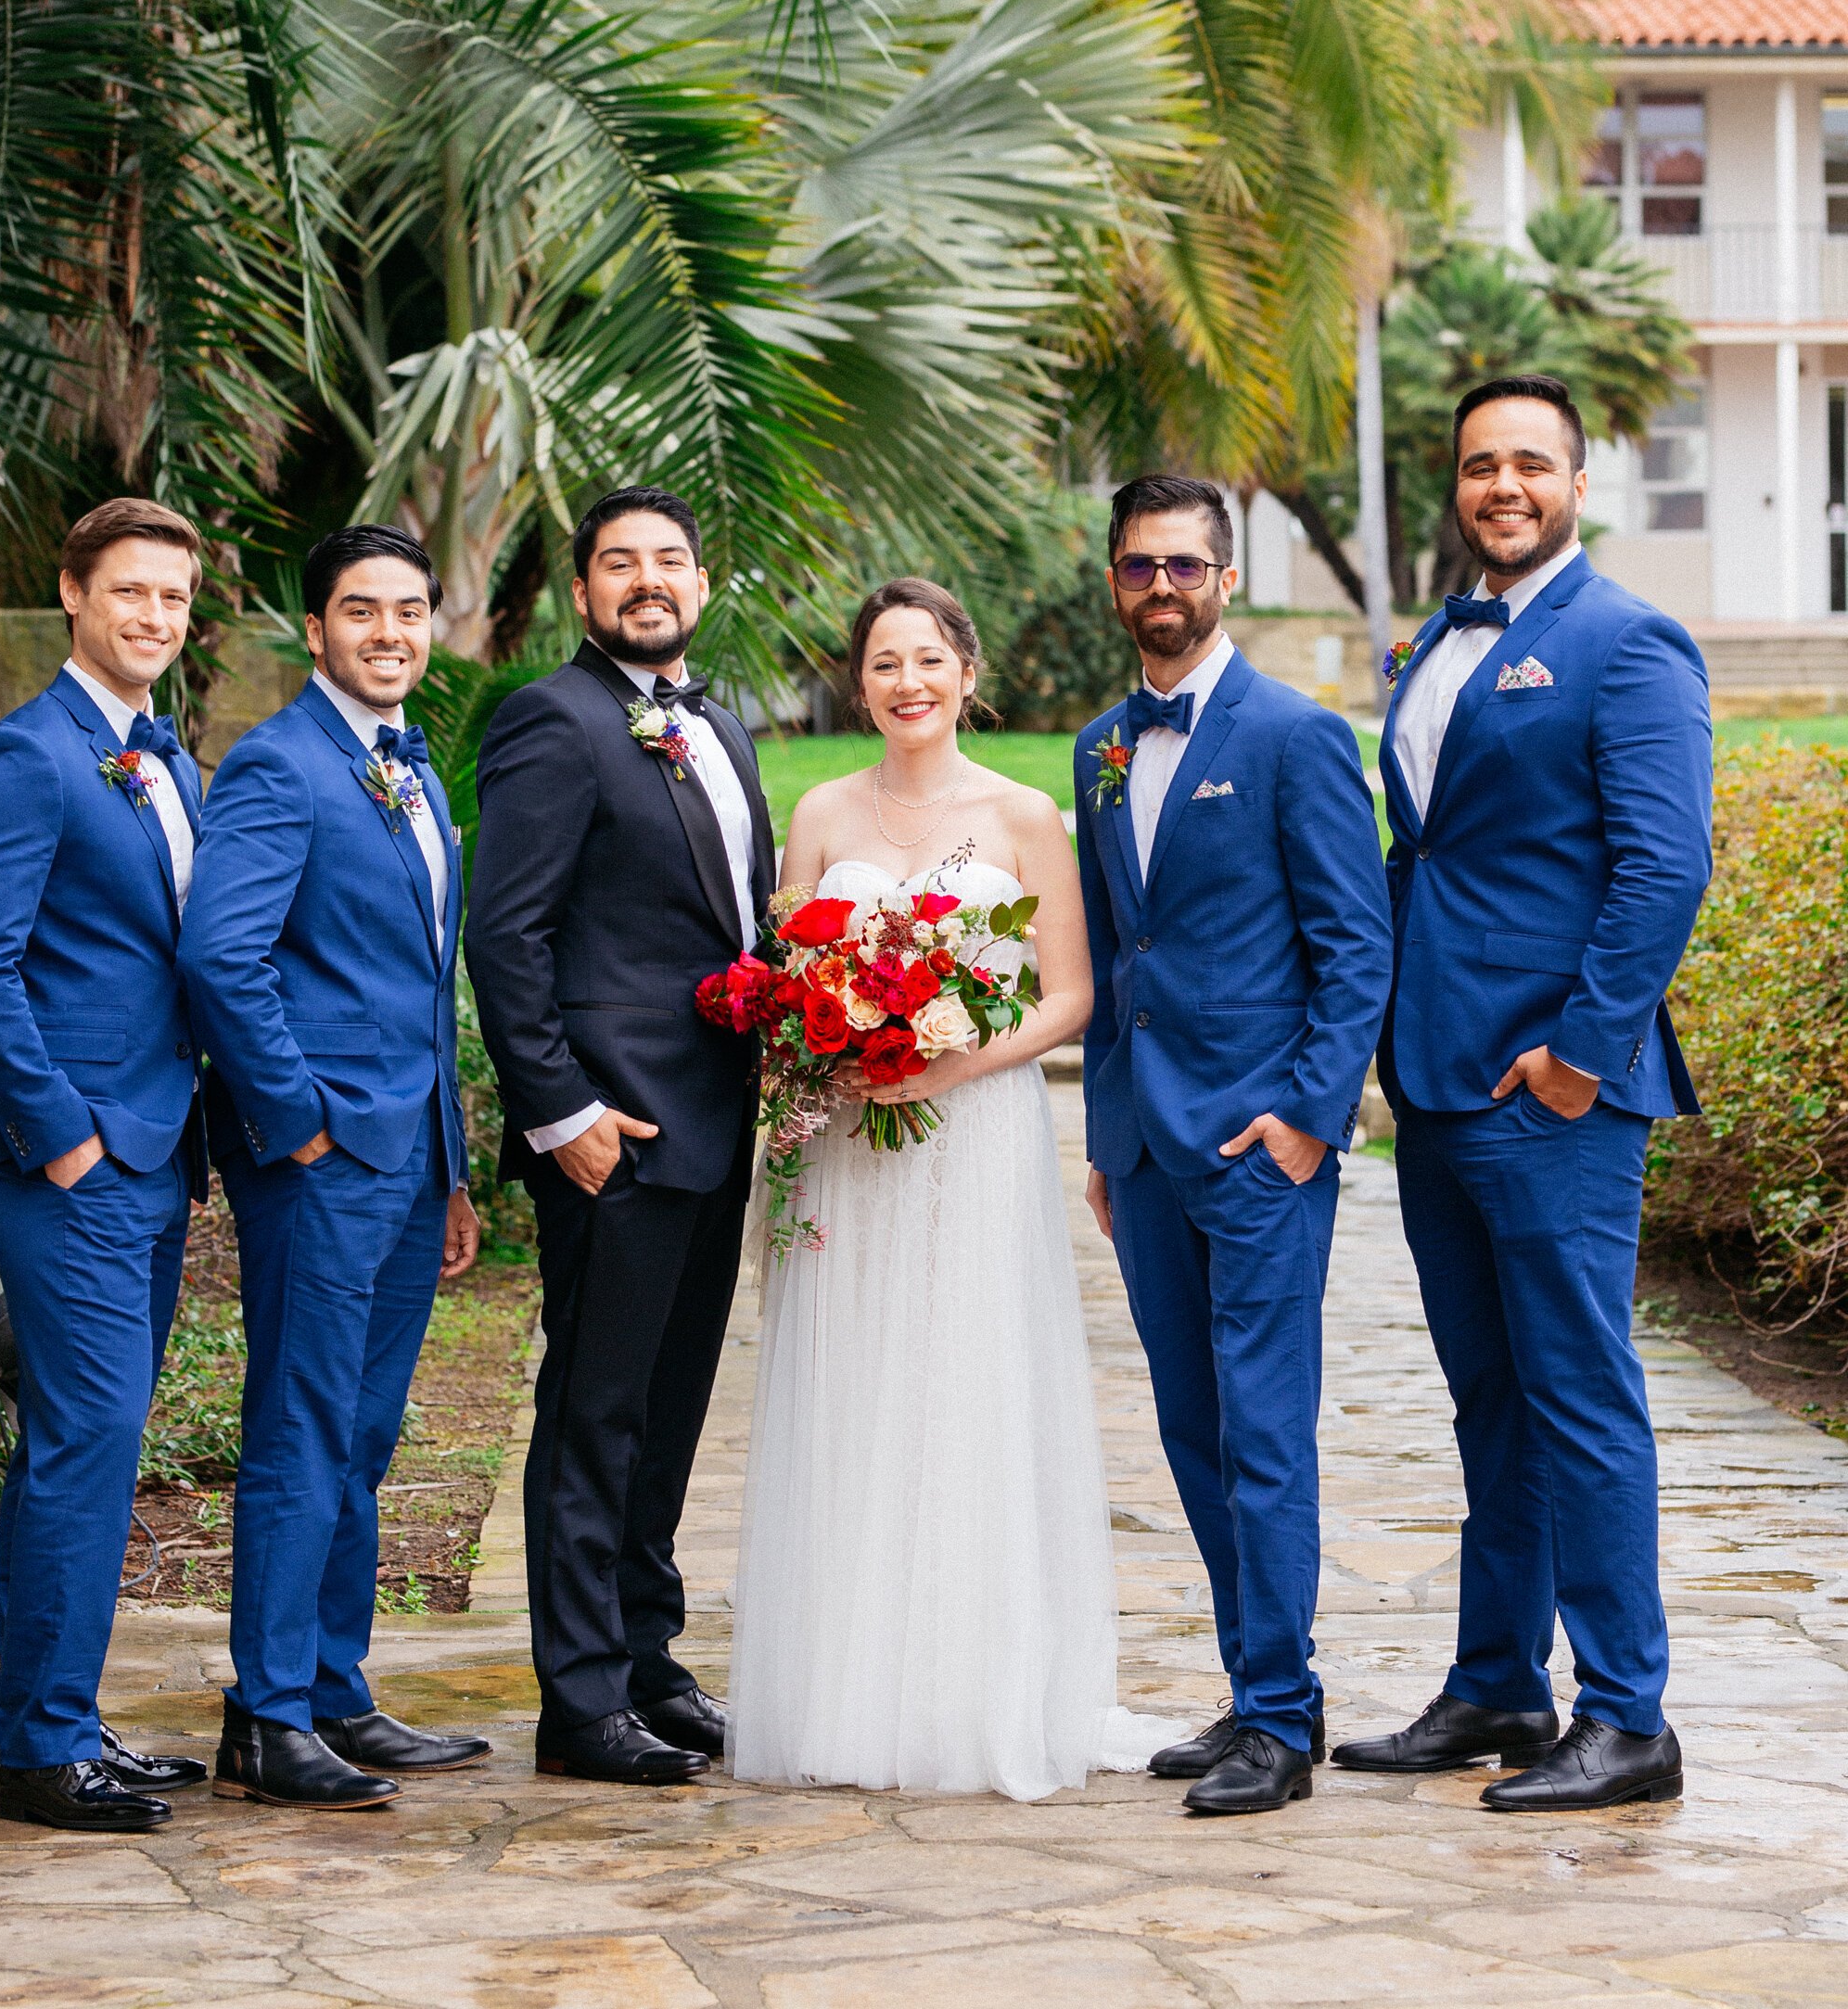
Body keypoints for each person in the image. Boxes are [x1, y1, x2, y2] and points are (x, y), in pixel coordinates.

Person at [727, 577, 1181, 1800]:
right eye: (884, 663)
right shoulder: (819, 811)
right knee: (857, 1388)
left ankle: (973, 1691)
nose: (907, 683)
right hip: (849, 1152)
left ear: (967, 675)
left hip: (974, 1133)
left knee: (965, 1389)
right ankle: (847, 1695)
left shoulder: (1027, 814)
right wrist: (834, 1049)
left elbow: (1072, 994)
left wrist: (941, 1057)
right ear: (858, 683)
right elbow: (786, 973)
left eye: (929, 659)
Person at [1332, 375, 1712, 1813]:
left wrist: (1577, 1053)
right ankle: (1499, 1683)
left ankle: (1629, 1715)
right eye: (1483, 463)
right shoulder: (1435, 641)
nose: (1505, 484)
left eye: (1532, 463)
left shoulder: (1628, 642)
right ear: (1457, 482)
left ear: (1576, 481)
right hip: (1436, 1081)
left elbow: (1664, 866)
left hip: (1550, 1087)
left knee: (1580, 1394)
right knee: (1490, 1399)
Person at [1077, 474, 1394, 1817]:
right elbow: (1111, 951)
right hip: (1145, 1152)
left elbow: (1356, 941)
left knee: (1264, 1427)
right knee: (1195, 1428)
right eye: (1141, 565)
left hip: (1263, 1145)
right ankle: (1259, 1687)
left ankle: (1279, 1713)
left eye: (1186, 566)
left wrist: (1313, 1121)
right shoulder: (1097, 744)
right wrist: (1104, 1133)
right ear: (1113, 582)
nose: (1163, 586)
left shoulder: (1296, 737)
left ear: (1228, 578)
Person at [465, 487, 775, 1786]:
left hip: (714, 1125)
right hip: (617, 1132)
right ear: (585, 591)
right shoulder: (554, 718)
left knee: (669, 1409)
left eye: (668, 561)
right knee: (595, 1414)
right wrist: (561, 1115)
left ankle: (647, 1658)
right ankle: (579, 1699)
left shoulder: (726, 724)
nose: (646, 580)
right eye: (618, 563)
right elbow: (505, 933)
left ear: (701, 584)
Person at [179, 525, 485, 1810]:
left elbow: (422, 991)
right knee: (302, 1429)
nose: (390, 634)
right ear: (317, 631)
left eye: (410, 612)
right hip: (319, 1160)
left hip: (405, 1160)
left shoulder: (409, 774)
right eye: (363, 612)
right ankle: (267, 1713)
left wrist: (453, 1165)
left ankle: (337, 1689)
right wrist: (297, 1118)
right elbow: (220, 958)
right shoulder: (277, 764)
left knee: (361, 1434)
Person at [0, 497, 212, 1834]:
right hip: (74, 1167)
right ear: (71, 595)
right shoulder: (27, 756)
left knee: (90, 1442)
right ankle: (47, 1750)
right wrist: (66, 1141)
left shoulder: (171, 761)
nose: (153, 616)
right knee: (86, 1439)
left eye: (173, 597)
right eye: (130, 592)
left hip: (159, 1154)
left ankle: (50, 1721)